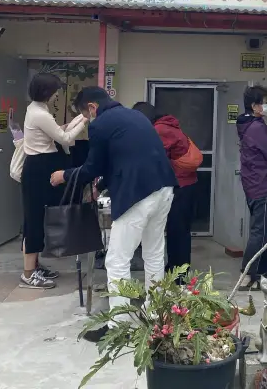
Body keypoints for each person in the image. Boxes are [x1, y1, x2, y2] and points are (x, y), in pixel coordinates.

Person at [51, 87, 177, 343]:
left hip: (138, 194)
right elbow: (120, 160)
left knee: (117, 261)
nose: (88, 121)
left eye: (86, 116)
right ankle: (156, 318)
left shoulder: (102, 124)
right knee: (153, 254)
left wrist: (63, 175)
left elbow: (92, 167)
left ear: (92, 107)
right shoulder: (136, 117)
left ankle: (118, 326)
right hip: (164, 188)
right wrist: (104, 182)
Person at [20, 73, 87, 289]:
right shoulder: (40, 113)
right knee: (35, 217)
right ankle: (29, 274)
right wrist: (85, 118)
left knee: (38, 216)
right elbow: (66, 138)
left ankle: (35, 266)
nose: (57, 94)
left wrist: (74, 122)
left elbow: (58, 133)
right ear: (47, 92)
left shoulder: (38, 110)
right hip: (39, 168)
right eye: (56, 91)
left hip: (40, 166)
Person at [133, 102, 197, 274]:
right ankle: (176, 268)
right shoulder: (167, 125)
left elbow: (154, 158)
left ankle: (180, 273)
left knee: (178, 231)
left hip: (181, 186)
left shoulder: (161, 130)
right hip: (185, 184)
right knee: (179, 230)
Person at [236, 85, 267, 291]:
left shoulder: (248, 124)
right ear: (254, 105)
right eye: (265, 102)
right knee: (260, 232)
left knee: (262, 231)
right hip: (261, 184)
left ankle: (265, 271)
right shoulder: (256, 127)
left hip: (254, 184)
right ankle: (247, 274)